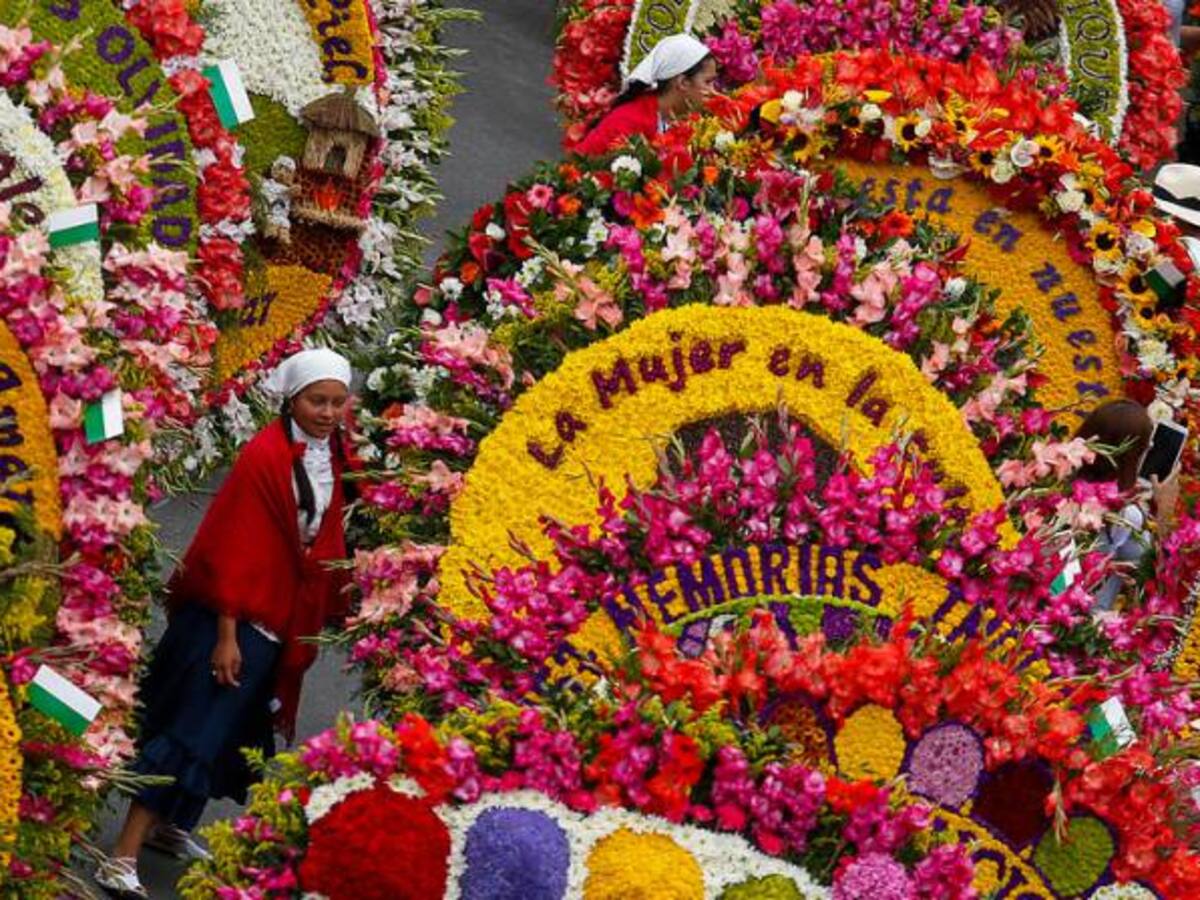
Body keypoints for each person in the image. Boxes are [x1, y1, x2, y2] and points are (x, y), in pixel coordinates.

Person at [95, 349, 358, 898]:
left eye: (338, 402)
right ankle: (120, 856)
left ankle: (169, 828)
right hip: (231, 622)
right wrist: (227, 636)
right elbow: (234, 551)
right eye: (317, 401)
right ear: (292, 400)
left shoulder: (329, 452)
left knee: (225, 732)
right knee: (189, 733)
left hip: (274, 617)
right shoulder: (265, 457)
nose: (329, 413)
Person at [1075, 399, 1181, 610]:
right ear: (1129, 455)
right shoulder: (1123, 513)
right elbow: (1152, 573)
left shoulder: (1062, 479)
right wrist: (1164, 513)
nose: (1151, 447)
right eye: (1145, 446)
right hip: (1088, 616)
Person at [573, 33, 718, 156]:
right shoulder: (628, 121)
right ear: (683, 82)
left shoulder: (689, 120)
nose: (714, 91)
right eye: (708, 82)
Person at [259, 155, 298, 245]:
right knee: (271, 223)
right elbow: (260, 183)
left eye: (288, 172)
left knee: (284, 226)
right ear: (274, 169)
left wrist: (293, 189)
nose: (283, 174)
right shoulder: (268, 183)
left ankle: (283, 237)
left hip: (281, 215)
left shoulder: (287, 189)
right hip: (269, 212)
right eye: (281, 169)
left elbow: (294, 191)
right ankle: (270, 233)